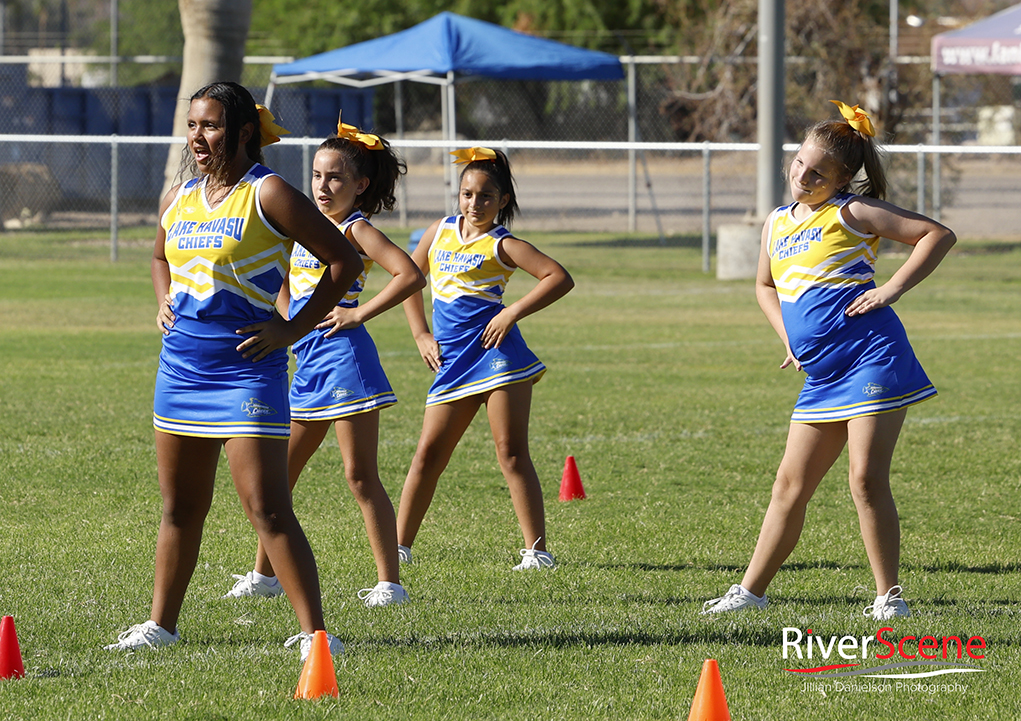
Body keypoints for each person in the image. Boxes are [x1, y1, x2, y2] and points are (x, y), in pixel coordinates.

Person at [105, 82, 362, 660]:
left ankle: (317, 637)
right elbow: (158, 257)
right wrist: (163, 295)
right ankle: (160, 627)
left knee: (267, 507)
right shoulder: (179, 196)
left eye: (212, 125)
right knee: (179, 508)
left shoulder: (268, 193)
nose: (199, 137)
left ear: (244, 131)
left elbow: (342, 261)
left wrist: (292, 329)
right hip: (180, 372)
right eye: (194, 125)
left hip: (247, 373)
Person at [702, 101, 956, 620]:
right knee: (789, 485)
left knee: (864, 478)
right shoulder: (776, 222)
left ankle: (890, 599)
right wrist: (789, 339)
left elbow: (937, 235)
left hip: (871, 358)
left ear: (843, 178)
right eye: (799, 163)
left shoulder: (851, 212)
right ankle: (749, 592)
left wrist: (891, 289)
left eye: (818, 171)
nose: (802, 175)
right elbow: (764, 285)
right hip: (821, 374)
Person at [223, 116, 424, 607]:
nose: (323, 186)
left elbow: (410, 274)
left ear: (360, 184)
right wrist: (290, 315)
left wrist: (359, 313)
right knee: (279, 477)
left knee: (359, 475)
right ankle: (264, 576)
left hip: (346, 360)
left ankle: (389, 583)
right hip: (307, 360)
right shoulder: (302, 226)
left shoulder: (356, 229)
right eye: (316, 175)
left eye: (335, 177)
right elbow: (283, 276)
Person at [395, 147, 574, 570]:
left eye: (486, 196)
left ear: (503, 201)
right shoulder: (437, 231)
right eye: (467, 194)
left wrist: (512, 312)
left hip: (498, 359)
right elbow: (409, 280)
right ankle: (398, 546)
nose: (475, 204)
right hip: (451, 363)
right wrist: (420, 332)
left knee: (511, 452)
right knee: (427, 455)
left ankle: (537, 552)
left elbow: (559, 277)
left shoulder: (504, 243)